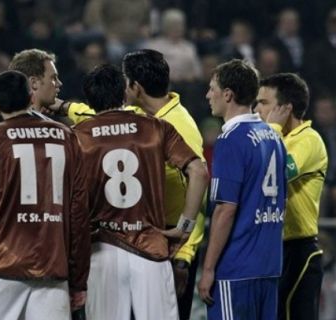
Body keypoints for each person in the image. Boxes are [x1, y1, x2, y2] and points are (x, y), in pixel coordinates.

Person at [54, 49, 207, 320]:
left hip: (102, 249)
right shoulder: (155, 127)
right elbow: (199, 171)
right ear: (124, 92)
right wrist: (185, 227)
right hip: (151, 245)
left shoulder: (78, 136)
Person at [0, 70, 90, 320]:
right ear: (31, 96)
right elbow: (78, 212)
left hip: (0, 264)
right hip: (53, 269)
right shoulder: (66, 136)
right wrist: (77, 277)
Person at [198, 59, 287, 320]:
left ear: (228, 94)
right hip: (269, 266)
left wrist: (209, 268)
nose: (208, 95)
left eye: (212, 88)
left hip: (236, 267)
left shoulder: (230, 140)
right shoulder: (274, 136)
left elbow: (225, 209)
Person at [254, 73, 327, 320]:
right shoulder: (274, 139)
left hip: (298, 250)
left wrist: (271, 128)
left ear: (286, 108)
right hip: (270, 247)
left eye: (263, 103)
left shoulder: (309, 139)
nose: (256, 109)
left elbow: (276, 174)